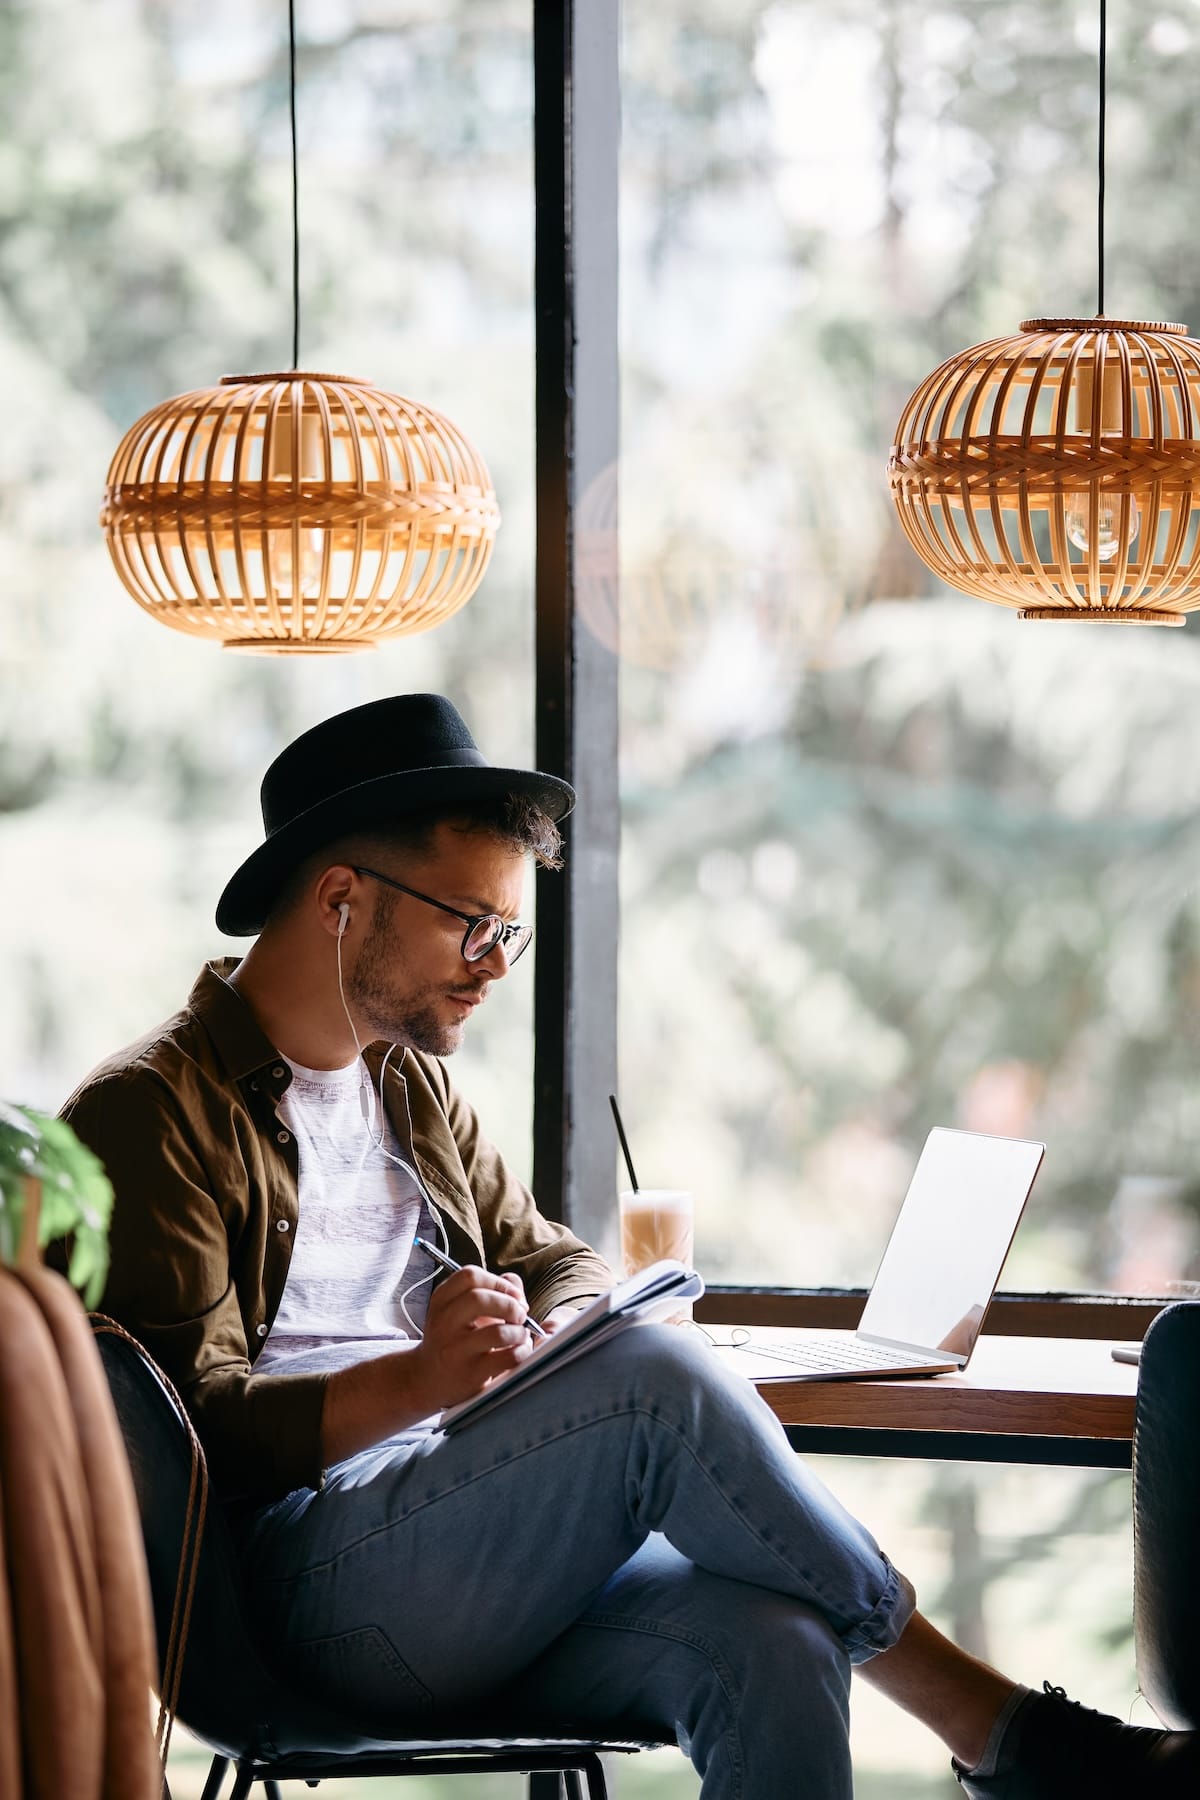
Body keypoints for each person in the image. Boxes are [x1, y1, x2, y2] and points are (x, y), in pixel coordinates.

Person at [62, 693, 1197, 1799]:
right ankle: (1000, 1729)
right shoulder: (149, 1112)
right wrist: (423, 1379)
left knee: (779, 1642)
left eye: (509, 929)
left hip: (456, 1547)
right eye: (473, 923)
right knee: (654, 1383)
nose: (497, 963)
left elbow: (550, 1254)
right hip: (290, 1604)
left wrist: (562, 1334)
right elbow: (193, 1443)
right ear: (344, 899)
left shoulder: (403, 1089)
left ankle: (1000, 1733)